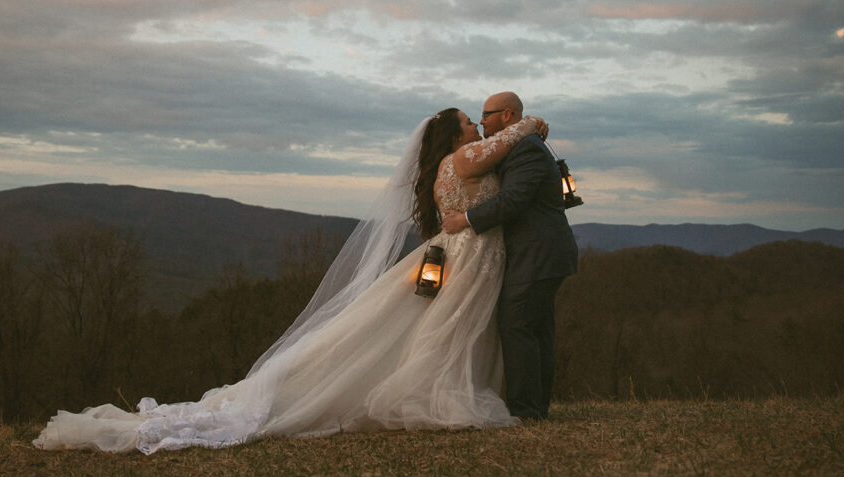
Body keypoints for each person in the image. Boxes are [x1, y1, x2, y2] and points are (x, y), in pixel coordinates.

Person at [34, 108, 548, 453]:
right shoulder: (461, 159)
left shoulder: (446, 163)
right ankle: (441, 390)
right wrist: (529, 123)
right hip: (470, 252)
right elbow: (504, 142)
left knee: (449, 323)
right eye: (468, 122)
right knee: (448, 325)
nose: (476, 129)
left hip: (471, 252)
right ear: (454, 136)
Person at [441, 92, 578, 421]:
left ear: (506, 115)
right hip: (541, 252)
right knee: (537, 329)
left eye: (486, 114)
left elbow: (514, 199)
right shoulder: (520, 143)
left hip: (537, 252)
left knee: (517, 324)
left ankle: (526, 411)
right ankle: (535, 409)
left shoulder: (527, 148)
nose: (482, 121)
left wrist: (466, 219)